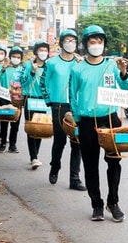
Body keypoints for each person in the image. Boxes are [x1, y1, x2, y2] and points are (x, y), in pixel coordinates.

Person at [68, 25, 128, 222]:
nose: (96, 45)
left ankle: (113, 201)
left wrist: (123, 72)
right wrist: (77, 119)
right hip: (87, 121)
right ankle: (96, 204)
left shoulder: (112, 65)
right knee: (90, 163)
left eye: (100, 42)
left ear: (104, 44)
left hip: (110, 118)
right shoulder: (78, 68)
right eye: (92, 42)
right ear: (86, 45)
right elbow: (72, 95)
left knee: (114, 161)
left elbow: (125, 88)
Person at [40, 29, 85, 191]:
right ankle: (55, 166)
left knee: (77, 142)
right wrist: (49, 101)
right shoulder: (52, 63)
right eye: (67, 40)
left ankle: (75, 178)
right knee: (60, 140)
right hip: (59, 105)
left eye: (73, 40)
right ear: (61, 42)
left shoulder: (80, 62)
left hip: (76, 106)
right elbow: (43, 83)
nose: (70, 43)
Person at [15, 40, 49, 169]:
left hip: (43, 101)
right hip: (31, 100)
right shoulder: (28, 65)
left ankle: (36, 155)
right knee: (31, 127)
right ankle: (33, 157)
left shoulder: (48, 66)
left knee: (41, 128)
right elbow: (22, 81)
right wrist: (32, 72)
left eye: (45, 50)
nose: (43, 53)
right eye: (41, 50)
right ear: (35, 52)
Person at [0, 46, 24, 153]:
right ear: (10, 57)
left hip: (17, 99)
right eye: (14, 56)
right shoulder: (4, 68)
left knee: (15, 123)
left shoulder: (23, 70)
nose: (16, 58)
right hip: (5, 97)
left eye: (18, 57)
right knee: (4, 121)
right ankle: (3, 141)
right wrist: (3, 69)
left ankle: (13, 145)